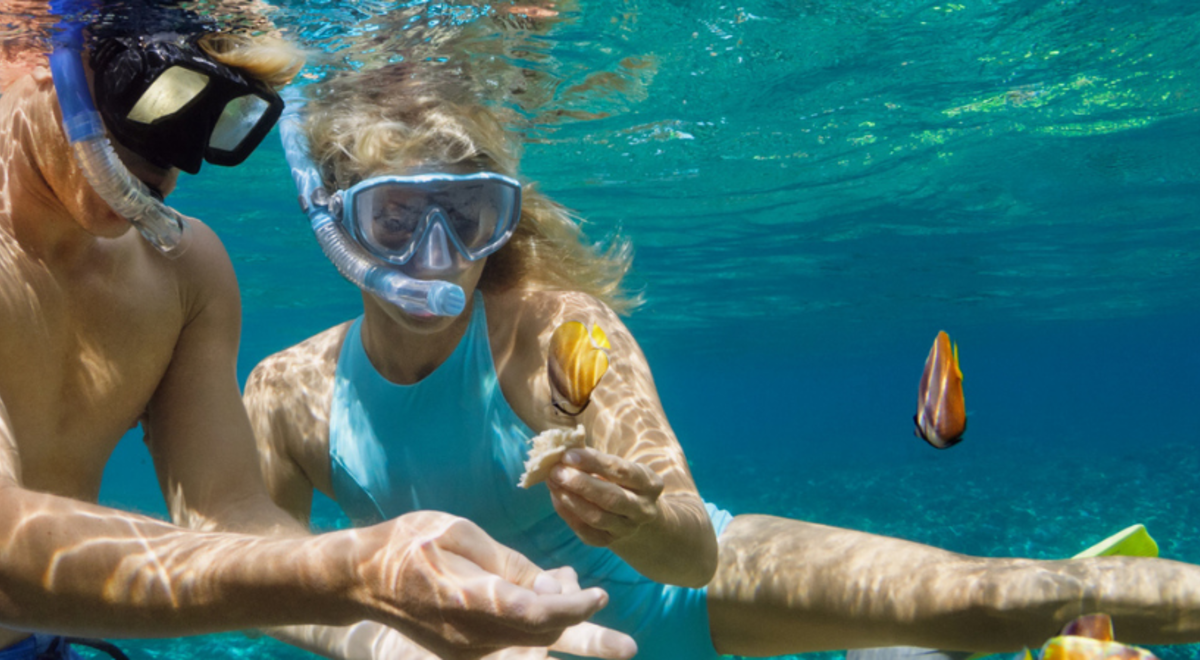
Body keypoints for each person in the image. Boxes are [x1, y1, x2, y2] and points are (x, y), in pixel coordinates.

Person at [244, 62, 1200, 660]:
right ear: (335, 224)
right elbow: (255, 572)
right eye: (396, 221)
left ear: (506, 218)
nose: (438, 258)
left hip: (689, 603)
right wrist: (382, 643)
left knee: (992, 597)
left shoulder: (557, 333)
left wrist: (635, 517)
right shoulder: (289, 393)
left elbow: (694, 551)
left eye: (470, 217)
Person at [0, 12, 636, 660]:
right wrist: (350, 574)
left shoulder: (184, 273)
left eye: (218, 122)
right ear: (30, 55)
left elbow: (225, 518)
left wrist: (398, 639)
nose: (174, 160)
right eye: (152, 94)